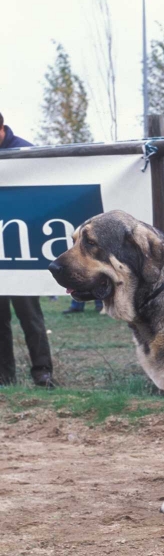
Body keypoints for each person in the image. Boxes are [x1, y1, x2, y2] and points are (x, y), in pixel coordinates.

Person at [0, 112, 56, 388]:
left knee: (30, 316)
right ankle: (4, 377)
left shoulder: (25, 152)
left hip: (21, 247)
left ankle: (42, 373)